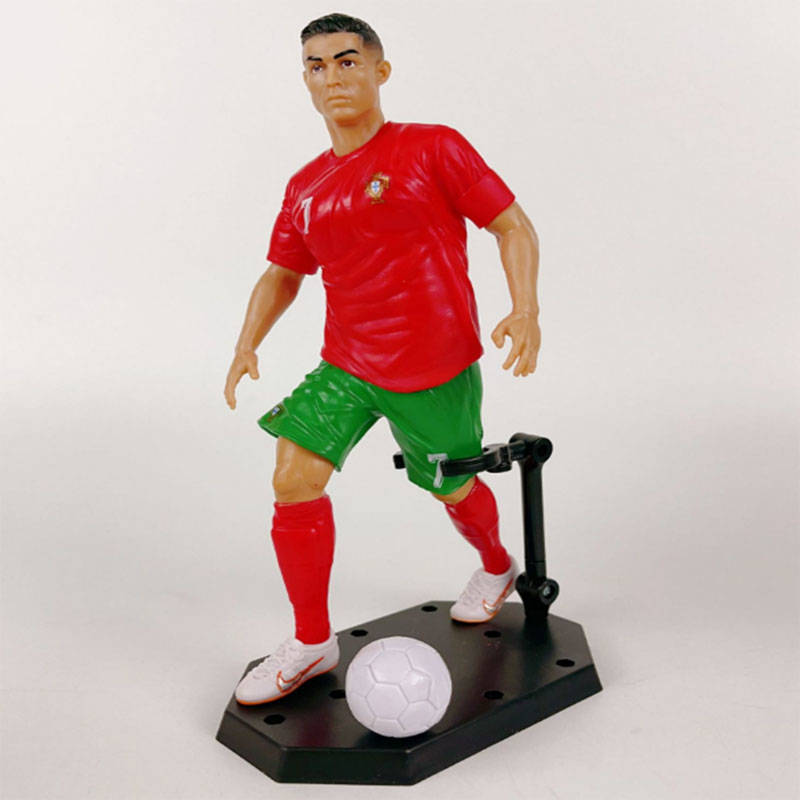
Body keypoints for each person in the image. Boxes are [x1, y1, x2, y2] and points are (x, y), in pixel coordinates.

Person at [224, 13, 541, 705]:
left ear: (379, 70)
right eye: (316, 66)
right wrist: (247, 342)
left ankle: (496, 564)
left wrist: (526, 308)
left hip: (433, 367)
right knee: (293, 477)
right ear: (305, 81)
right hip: (347, 363)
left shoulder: (434, 147)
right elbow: (283, 273)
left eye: (346, 61)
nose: (332, 77)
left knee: (450, 487)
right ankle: (312, 642)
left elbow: (511, 225)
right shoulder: (305, 186)